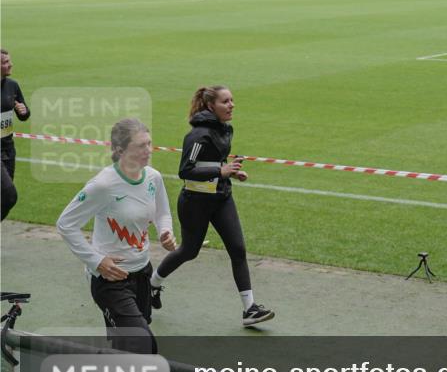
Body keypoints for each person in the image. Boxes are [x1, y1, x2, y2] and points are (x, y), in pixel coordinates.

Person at [151, 86, 274, 326]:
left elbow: (215, 161)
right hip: (195, 203)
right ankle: (152, 284)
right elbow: (186, 170)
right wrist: (221, 170)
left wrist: (230, 172)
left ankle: (250, 309)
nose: (231, 105)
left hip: (221, 198)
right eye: (225, 101)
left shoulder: (226, 129)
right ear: (211, 106)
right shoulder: (197, 136)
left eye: (232, 101)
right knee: (189, 251)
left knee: (237, 250)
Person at [57, 118, 176, 354]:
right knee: (143, 342)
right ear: (120, 150)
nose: (148, 150)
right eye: (140, 146)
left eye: (149, 144)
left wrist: (165, 231)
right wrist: (97, 261)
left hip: (142, 272)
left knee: (126, 343)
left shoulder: (153, 177)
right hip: (109, 281)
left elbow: (163, 212)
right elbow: (66, 224)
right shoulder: (103, 185)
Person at [1, 48, 30, 220]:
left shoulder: (12, 85)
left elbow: (24, 115)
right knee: (9, 196)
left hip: (8, 149)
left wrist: (23, 110)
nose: (10, 64)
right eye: (5, 62)